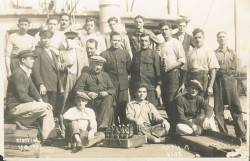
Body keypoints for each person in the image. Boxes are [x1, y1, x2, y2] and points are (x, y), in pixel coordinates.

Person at [5, 50, 56, 144]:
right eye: (31, 59)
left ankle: (48, 137)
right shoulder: (17, 73)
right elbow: (22, 95)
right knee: (44, 106)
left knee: (47, 110)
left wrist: (42, 102)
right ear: (23, 60)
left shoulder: (26, 73)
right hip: (14, 107)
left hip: (23, 107)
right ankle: (19, 120)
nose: (33, 61)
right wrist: (40, 104)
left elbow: (33, 90)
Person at [213, 31, 246, 142]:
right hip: (218, 81)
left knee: (236, 107)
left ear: (226, 39)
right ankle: (224, 134)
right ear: (217, 40)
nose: (221, 39)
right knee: (218, 109)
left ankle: (241, 133)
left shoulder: (232, 52)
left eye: (223, 37)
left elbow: (236, 68)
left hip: (231, 80)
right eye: (219, 37)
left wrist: (231, 78)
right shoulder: (214, 53)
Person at [57, 31, 89, 137]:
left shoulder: (82, 51)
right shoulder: (62, 52)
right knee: (65, 102)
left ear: (76, 40)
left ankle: (82, 129)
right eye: (69, 39)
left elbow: (86, 66)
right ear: (66, 40)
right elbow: (58, 67)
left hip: (79, 78)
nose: (71, 41)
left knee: (80, 101)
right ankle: (63, 130)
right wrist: (66, 64)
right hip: (68, 79)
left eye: (73, 39)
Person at [74, 55, 116, 130]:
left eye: (100, 65)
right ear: (92, 64)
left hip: (104, 102)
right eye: (96, 64)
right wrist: (88, 93)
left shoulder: (105, 75)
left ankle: (103, 124)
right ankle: (102, 125)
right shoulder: (85, 75)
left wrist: (106, 92)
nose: (98, 67)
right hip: (92, 101)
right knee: (109, 105)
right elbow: (77, 89)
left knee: (109, 96)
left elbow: (112, 89)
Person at [158, 21, 186, 127]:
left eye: (166, 29)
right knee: (165, 101)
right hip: (164, 75)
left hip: (173, 74)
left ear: (170, 30)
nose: (164, 32)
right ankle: (173, 127)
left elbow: (182, 60)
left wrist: (170, 67)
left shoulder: (176, 43)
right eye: (162, 30)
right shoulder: (161, 45)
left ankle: (176, 126)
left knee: (172, 100)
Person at [101, 31, 131, 125]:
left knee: (123, 106)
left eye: (119, 40)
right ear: (110, 40)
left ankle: (123, 127)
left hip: (123, 86)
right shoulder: (104, 54)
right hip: (111, 87)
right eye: (114, 40)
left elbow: (129, 68)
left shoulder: (125, 53)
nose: (116, 42)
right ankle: (114, 127)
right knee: (113, 107)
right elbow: (102, 73)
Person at [179, 28, 220, 99]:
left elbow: (213, 70)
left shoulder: (208, 51)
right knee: (192, 100)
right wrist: (183, 84)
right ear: (193, 39)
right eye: (195, 38)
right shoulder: (190, 53)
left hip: (203, 78)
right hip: (191, 78)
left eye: (200, 37)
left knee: (202, 101)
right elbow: (186, 70)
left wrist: (210, 86)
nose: (197, 40)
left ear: (204, 38)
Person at [32, 30, 62, 117]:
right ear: (40, 39)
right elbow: (35, 70)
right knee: (44, 109)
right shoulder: (37, 51)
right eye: (44, 38)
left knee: (51, 109)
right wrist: (40, 84)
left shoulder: (52, 52)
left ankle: (50, 128)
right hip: (44, 87)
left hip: (53, 86)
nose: (46, 40)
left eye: (48, 38)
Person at [130, 33, 161, 108]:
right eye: (142, 41)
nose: (143, 43)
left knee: (152, 108)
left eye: (146, 41)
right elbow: (133, 72)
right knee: (139, 108)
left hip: (150, 87)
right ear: (139, 42)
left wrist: (158, 86)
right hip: (138, 88)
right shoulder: (136, 55)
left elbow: (158, 71)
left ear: (150, 42)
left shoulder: (154, 54)